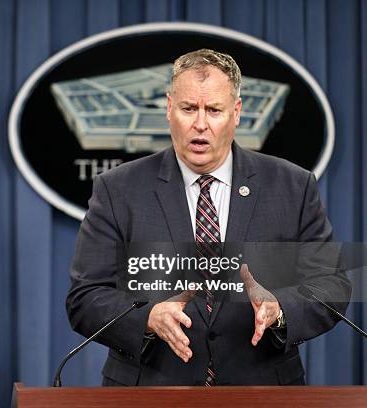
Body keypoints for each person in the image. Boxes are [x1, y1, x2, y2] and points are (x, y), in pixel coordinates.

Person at [66, 49, 351, 386]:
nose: (200, 124)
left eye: (214, 110)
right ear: (169, 108)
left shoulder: (292, 186)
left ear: (237, 112)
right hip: (150, 390)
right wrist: (148, 318)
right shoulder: (118, 189)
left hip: (263, 391)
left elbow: (332, 284)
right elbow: (85, 296)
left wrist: (280, 309)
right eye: (188, 109)